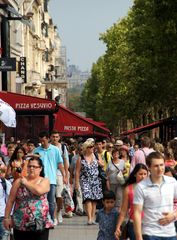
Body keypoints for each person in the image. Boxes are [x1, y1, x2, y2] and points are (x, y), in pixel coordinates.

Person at [3, 156, 53, 240]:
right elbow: (10, 200)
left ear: (40, 168)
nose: (31, 168)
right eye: (29, 166)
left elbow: (38, 191)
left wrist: (26, 183)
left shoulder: (44, 181)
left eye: (35, 166)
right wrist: (7, 218)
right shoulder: (18, 181)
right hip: (20, 223)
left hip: (40, 223)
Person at [133, 151, 177, 240]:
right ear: (149, 167)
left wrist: (174, 215)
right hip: (150, 233)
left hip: (170, 233)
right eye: (156, 166)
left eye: (161, 165)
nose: (160, 169)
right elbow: (137, 213)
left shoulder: (172, 182)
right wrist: (138, 237)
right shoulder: (141, 187)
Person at [34, 131, 66, 222]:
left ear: (48, 139)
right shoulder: (36, 151)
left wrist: (64, 176)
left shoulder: (55, 150)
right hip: (40, 180)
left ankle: (52, 219)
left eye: (44, 140)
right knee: (40, 201)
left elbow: (60, 163)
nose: (42, 143)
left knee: (51, 201)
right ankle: (42, 219)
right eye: (40, 141)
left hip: (51, 179)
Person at [114, 163, 148, 240]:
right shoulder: (128, 189)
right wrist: (118, 226)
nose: (143, 176)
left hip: (149, 224)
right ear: (135, 174)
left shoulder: (152, 188)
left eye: (145, 174)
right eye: (140, 174)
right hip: (134, 224)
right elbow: (123, 211)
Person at [75, 140, 103, 225]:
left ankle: (92, 218)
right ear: (86, 148)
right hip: (85, 180)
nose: (92, 148)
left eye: (92, 146)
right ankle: (89, 218)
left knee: (94, 200)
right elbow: (77, 171)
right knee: (88, 198)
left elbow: (102, 165)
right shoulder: (81, 158)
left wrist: (99, 163)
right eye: (90, 147)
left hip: (95, 180)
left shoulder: (96, 156)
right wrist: (76, 183)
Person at [50, 130, 69, 224]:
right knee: (51, 197)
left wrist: (66, 175)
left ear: (59, 138)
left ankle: (58, 212)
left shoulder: (62, 147)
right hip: (50, 174)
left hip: (59, 173)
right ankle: (53, 217)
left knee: (59, 196)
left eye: (56, 137)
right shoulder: (48, 147)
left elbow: (65, 161)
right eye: (53, 136)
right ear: (50, 137)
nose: (55, 138)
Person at [0, 165, 12, 240]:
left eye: (3, 171)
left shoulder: (6, 183)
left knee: (4, 237)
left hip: (2, 215)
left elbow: (10, 200)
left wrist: (9, 216)